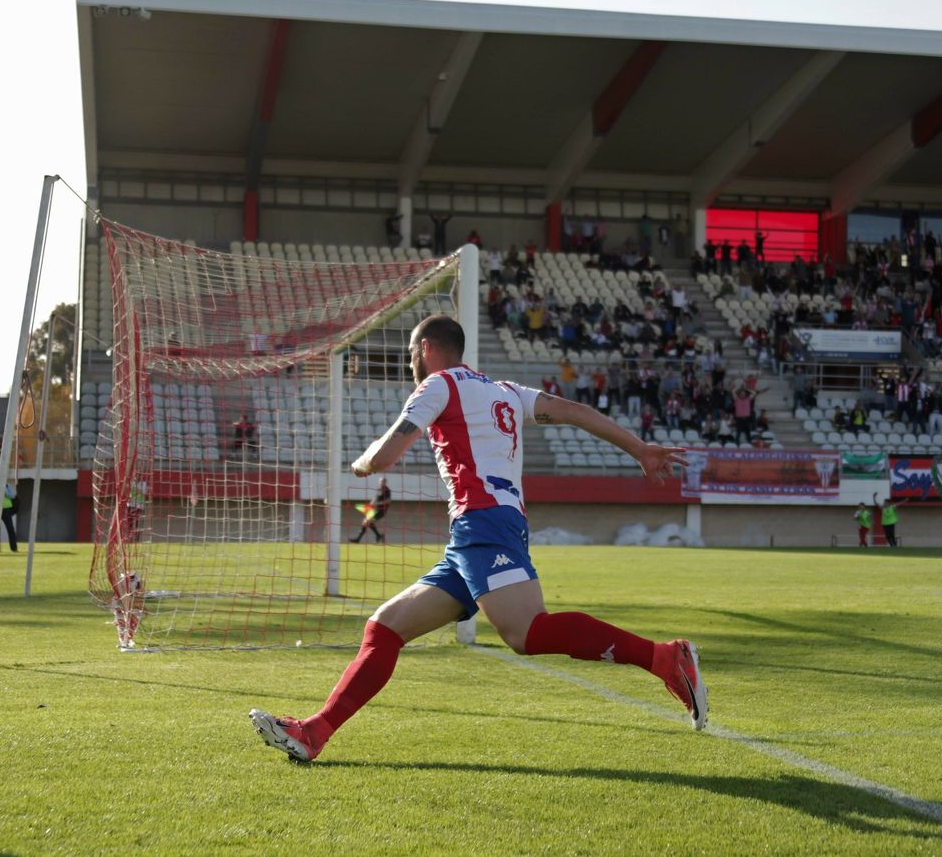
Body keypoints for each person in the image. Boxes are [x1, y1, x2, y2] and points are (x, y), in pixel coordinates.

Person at [250, 315, 705, 763]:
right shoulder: (505, 391)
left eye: (411, 354)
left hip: (483, 522)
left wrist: (360, 464)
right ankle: (316, 731)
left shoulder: (437, 385)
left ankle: (665, 658)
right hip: (480, 530)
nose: (411, 363)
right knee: (384, 628)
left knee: (526, 632)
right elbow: (575, 412)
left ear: (426, 348)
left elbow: (385, 455)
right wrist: (639, 448)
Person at [350, 477, 391, 544]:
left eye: (382, 481)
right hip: (374, 509)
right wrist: (370, 504)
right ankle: (378, 536)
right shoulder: (379, 489)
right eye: (380, 481)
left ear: (385, 482)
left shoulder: (387, 490)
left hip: (381, 511)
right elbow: (375, 498)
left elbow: (388, 501)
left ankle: (359, 539)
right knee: (365, 522)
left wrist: (377, 503)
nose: (381, 483)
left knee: (367, 522)